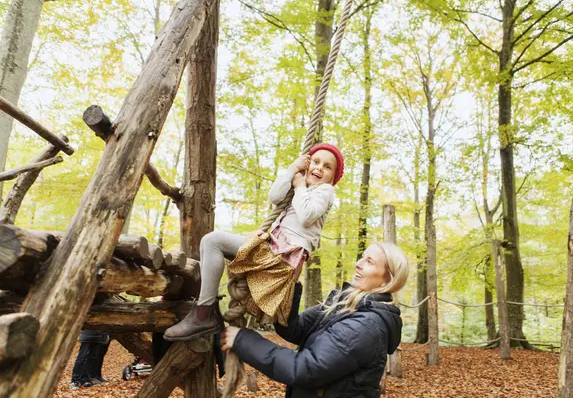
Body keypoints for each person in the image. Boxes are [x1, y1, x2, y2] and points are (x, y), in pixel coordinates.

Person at [164, 143, 344, 341]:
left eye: (327, 167)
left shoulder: (325, 191)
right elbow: (275, 197)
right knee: (210, 242)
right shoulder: (298, 188)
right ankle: (205, 310)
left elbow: (307, 215)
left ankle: (204, 314)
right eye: (316, 162)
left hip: (281, 258)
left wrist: (300, 186)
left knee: (213, 241)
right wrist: (293, 169)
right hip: (272, 247)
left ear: (332, 178)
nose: (319, 168)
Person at [221, 242, 409, 398]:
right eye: (362, 256)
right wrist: (291, 283)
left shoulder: (366, 326)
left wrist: (243, 340)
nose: (358, 264)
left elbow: (304, 369)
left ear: (386, 280)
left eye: (370, 262)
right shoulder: (344, 304)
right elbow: (294, 328)